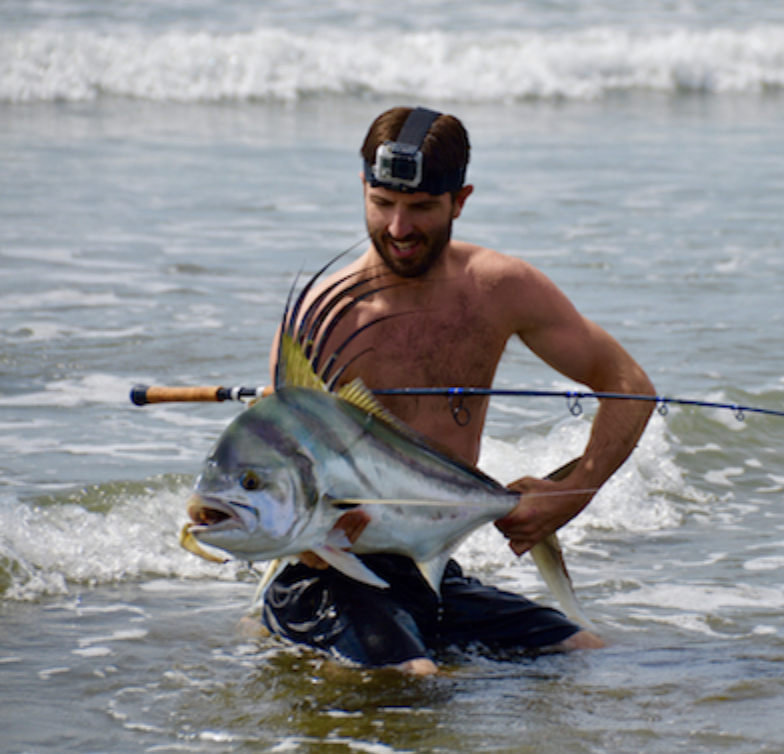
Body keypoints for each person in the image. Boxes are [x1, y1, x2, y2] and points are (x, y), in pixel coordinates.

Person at [261, 106, 655, 674]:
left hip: (432, 573)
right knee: (414, 678)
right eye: (382, 204)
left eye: (420, 208)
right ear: (362, 190)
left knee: (584, 657)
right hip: (326, 577)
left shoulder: (499, 289)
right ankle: (268, 622)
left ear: (460, 201)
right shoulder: (325, 320)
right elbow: (270, 466)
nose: (398, 228)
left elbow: (628, 384)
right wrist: (302, 538)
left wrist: (575, 491)